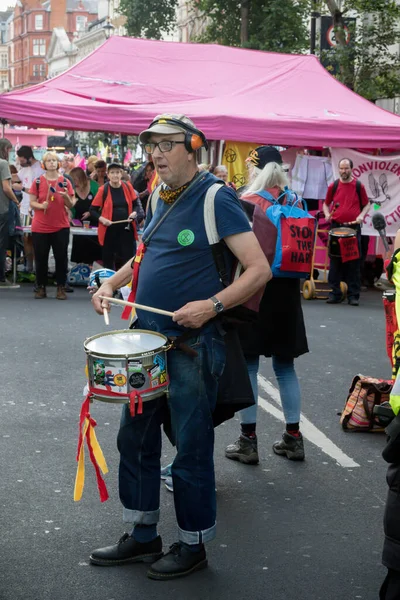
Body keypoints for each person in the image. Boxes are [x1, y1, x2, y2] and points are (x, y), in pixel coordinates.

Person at [89, 114, 270, 580]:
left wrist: (210, 306)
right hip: (147, 344)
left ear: (192, 147)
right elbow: (145, 252)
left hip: (194, 343)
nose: (156, 154)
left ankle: (193, 545)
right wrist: (115, 280)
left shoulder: (216, 196)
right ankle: (143, 534)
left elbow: (257, 269)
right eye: (152, 147)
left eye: (167, 146)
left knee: (190, 446)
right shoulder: (156, 195)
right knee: (136, 437)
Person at [224, 146, 309, 465]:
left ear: (256, 169)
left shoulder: (247, 203)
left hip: (254, 291)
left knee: (248, 365)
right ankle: (294, 438)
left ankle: (248, 441)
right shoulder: (295, 201)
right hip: (288, 293)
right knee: (285, 367)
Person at [323, 158, 370, 306]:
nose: (344, 171)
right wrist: (326, 214)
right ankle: (335, 293)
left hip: (352, 228)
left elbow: (367, 204)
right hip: (336, 227)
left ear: (351, 169)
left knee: (354, 263)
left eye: (346, 168)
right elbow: (326, 204)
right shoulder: (334, 186)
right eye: (341, 168)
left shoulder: (358, 186)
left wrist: (361, 216)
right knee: (335, 261)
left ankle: (353, 295)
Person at [29, 151, 75, 300]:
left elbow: (71, 204)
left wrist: (66, 196)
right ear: (44, 164)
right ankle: (41, 286)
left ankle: (61, 287)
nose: (51, 163)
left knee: (61, 258)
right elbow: (32, 202)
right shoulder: (37, 182)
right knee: (41, 258)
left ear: (58, 163)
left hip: (61, 226)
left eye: (54, 160)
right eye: (48, 161)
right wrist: (41, 205)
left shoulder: (65, 182)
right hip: (40, 226)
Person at [90, 162, 143, 270]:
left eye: (118, 172)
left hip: (126, 230)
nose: (115, 175)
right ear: (108, 175)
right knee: (108, 259)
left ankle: (126, 285)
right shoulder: (103, 190)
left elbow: (136, 204)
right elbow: (92, 210)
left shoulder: (127, 186)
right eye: (112, 173)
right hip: (109, 230)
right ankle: (110, 284)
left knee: (128, 259)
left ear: (121, 174)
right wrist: (102, 219)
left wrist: (134, 213)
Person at [14, 146, 44, 273]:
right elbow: (17, 177)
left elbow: (37, 191)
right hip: (25, 208)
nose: (20, 162)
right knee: (26, 238)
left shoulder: (40, 170)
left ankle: (39, 266)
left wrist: (21, 188)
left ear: (29, 157)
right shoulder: (24, 169)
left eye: (21, 159)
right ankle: (29, 265)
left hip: (36, 208)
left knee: (37, 238)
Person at [69, 167, 101, 265]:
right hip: (78, 222)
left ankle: (90, 267)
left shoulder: (94, 186)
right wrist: (69, 217)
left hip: (93, 221)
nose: (74, 182)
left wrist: (91, 212)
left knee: (92, 250)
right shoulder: (72, 189)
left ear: (81, 177)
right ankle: (80, 270)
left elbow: (102, 203)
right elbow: (69, 206)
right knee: (79, 248)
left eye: (75, 179)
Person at [0, 138, 19, 286]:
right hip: (2, 208)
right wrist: (16, 200)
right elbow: (6, 188)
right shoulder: (3, 164)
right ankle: (1, 277)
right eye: (9, 150)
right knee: (2, 243)